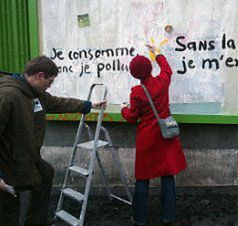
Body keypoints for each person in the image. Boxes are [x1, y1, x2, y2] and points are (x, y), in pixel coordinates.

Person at [0, 55, 106, 226]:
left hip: (25, 158)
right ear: (40, 75)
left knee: (45, 173)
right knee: (9, 209)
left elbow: (58, 103)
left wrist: (88, 105)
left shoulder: (34, 93)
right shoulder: (8, 95)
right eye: (50, 81)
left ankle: (35, 222)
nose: (51, 85)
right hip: (7, 165)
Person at [121, 45, 187, 225]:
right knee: (167, 175)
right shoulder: (162, 82)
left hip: (147, 139)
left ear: (134, 74)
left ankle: (140, 218)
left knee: (142, 178)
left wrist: (123, 109)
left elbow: (132, 117)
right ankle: (168, 215)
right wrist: (157, 53)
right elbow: (167, 69)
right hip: (165, 136)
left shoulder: (137, 92)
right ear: (150, 69)